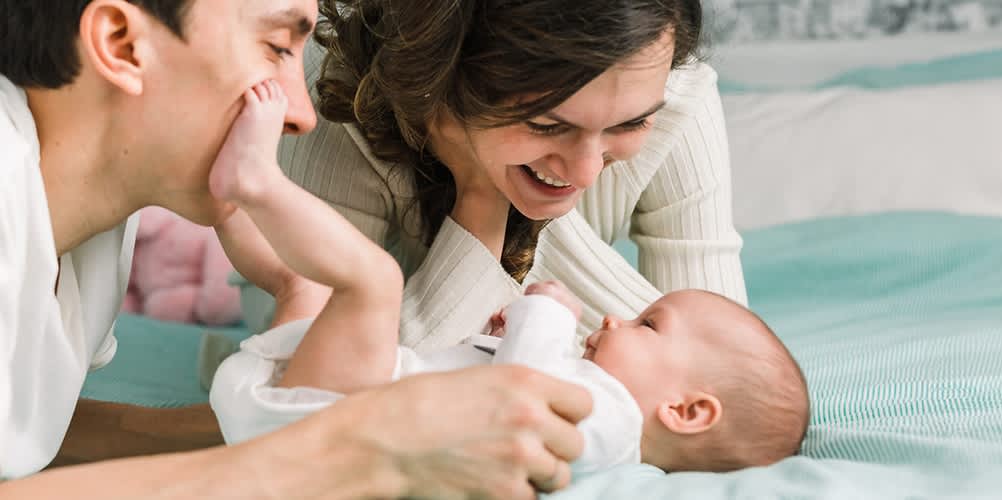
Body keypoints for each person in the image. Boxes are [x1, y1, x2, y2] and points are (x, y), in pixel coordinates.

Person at [0, 1, 590, 497]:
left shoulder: (89, 232)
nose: (302, 115)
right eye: (277, 48)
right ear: (123, 44)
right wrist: (348, 451)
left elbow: (26, 439)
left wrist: (312, 411)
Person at [202, 79, 808, 476]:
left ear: (688, 412)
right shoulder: (609, 411)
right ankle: (230, 200)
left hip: (332, 414)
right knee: (304, 284)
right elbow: (508, 381)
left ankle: (252, 186)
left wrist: (537, 301)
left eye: (647, 326)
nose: (618, 317)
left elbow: (524, 386)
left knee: (367, 283)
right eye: (549, 124)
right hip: (332, 399)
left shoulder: (614, 427)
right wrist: (500, 325)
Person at [239, 0, 749, 356]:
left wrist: (495, 194)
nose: (587, 172)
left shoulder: (674, 94)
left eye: (630, 123)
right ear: (439, 81)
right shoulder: (335, 105)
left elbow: (713, 371)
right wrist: (482, 205)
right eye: (547, 125)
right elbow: (310, 384)